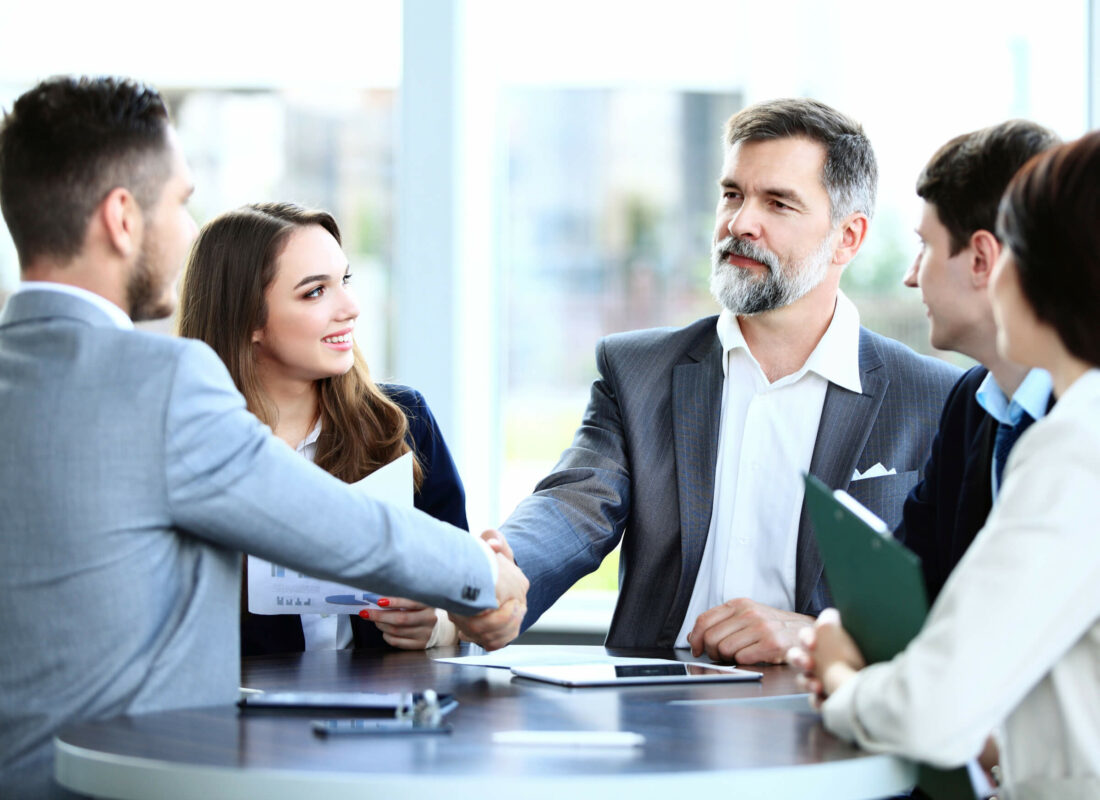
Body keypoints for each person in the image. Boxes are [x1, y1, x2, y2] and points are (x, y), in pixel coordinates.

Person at [0, 76, 526, 797]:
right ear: (122, 217)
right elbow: (340, 528)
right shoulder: (162, 381)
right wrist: (481, 571)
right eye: (181, 202)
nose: (189, 232)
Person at [501, 98, 959, 662]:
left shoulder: (935, 401)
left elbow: (953, 607)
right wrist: (488, 574)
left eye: (779, 203)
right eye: (732, 194)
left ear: (848, 238)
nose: (740, 223)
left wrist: (818, 636)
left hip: (827, 714)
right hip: (661, 717)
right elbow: (571, 510)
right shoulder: (638, 372)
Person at [790, 130, 1100, 799]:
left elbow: (930, 714)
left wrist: (844, 678)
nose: (910, 273)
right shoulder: (1014, 415)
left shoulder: (1079, 445)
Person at [178, 202, 466, 653]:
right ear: (248, 319)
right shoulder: (185, 453)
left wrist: (439, 628)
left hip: (387, 714)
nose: (350, 308)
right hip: (241, 718)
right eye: (315, 292)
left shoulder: (401, 423)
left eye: (344, 281)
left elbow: (463, 592)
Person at [896, 121, 1059, 601]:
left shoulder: (1083, 419)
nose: (910, 276)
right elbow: (913, 579)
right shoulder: (970, 400)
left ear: (981, 260)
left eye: (925, 245)